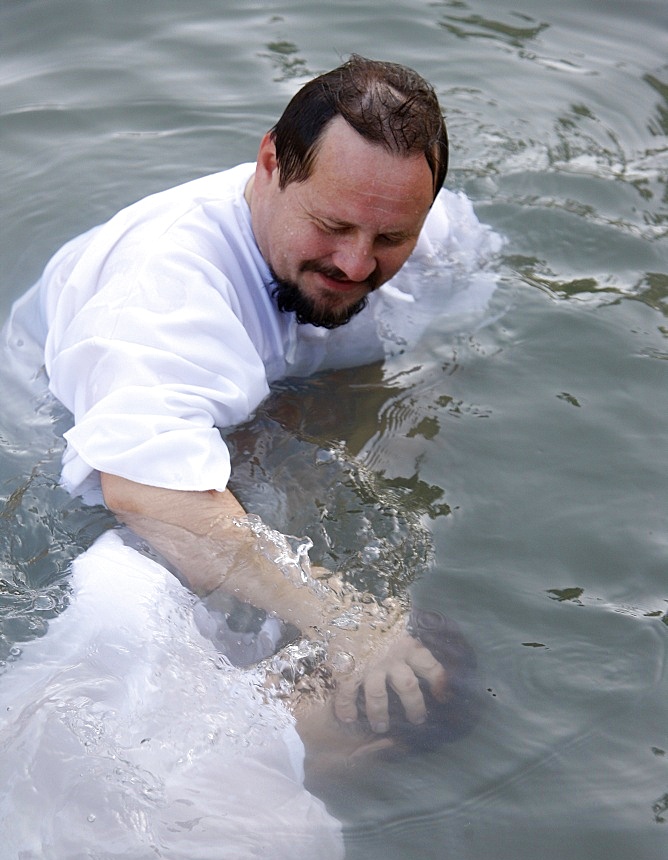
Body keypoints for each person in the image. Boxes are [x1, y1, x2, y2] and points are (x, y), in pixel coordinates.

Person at [6, 55, 499, 736]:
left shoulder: (440, 237)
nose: (358, 264)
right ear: (271, 162)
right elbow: (144, 491)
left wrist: (375, 428)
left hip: (278, 402)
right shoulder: (162, 290)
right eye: (331, 225)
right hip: (62, 435)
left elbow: (458, 350)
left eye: (391, 237)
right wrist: (343, 620)